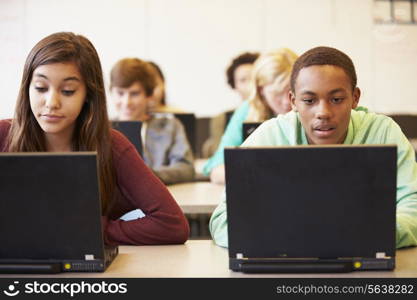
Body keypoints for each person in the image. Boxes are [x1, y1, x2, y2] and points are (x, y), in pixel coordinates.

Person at [209, 46, 417, 249]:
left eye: (336, 99)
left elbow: (413, 207)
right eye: (309, 100)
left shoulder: (383, 132)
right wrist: (306, 237)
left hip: (364, 261)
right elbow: (223, 221)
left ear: (355, 98)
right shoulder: (271, 134)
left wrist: (363, 235)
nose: (323, 112)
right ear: (293, 101)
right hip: (286, 264)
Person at [0, 32, 189, 245]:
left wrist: (92, 230)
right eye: (41, 88)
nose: (51, 102)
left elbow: (172, 224)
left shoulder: (112, 145)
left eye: (68, 91)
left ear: (88, 95)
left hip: (84, 271)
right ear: (26, 88)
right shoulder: (3, 134)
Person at [203, 48, 298, 184]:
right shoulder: (247, 110)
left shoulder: (310, 107)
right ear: (261, 90)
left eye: (292, 92)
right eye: (277, 94)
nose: (286, 102)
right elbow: (217, 169)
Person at [110, 58, 195, 184]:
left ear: (149, 95)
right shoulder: (102, 129)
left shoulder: (170, 126)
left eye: (134, 94)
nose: (126, 102)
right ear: (111, 92)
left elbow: (185, 168)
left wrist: (149, 175)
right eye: (120, 93)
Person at [202, 52, 259, 158]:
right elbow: (220, 157)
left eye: (253, 78)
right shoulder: (222, 119)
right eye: (243, 80)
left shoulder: (277, 112)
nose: (250, 85)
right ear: (234, 85)